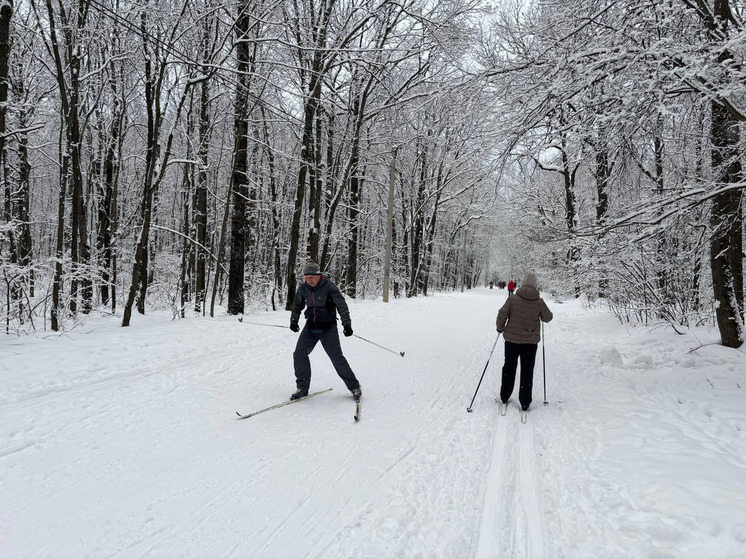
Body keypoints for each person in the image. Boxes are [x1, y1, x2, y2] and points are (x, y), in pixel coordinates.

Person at [289, 261, 362, 401]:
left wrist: (347, 325)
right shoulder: (303, 288)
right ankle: (302, 388)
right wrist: (294, 321)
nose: (309, 280)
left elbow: (342, 306)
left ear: (319, 275)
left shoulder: (329, 287)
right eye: (306, 277)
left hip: (328, 328)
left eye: (312, 277)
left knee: (336, 358)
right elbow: (297, 305)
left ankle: (354, 386)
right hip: (311, 327)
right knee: (299, 354)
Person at [495, 272, 553, 411]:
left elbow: (502, 314)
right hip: (530, 343)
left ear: (522, 285)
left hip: (511, 341)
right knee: (527, 371)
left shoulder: (512, 299)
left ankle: (504, 395)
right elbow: (548, 318)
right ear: (535, 286)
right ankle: (525, 402)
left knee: (509, 367)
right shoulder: (539, 302)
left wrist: (500, 327)